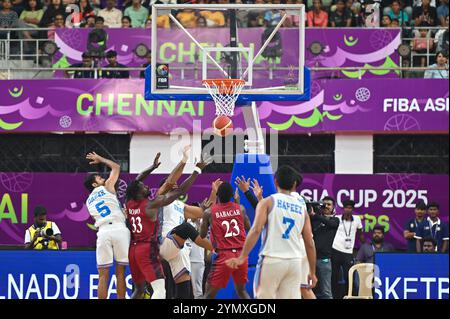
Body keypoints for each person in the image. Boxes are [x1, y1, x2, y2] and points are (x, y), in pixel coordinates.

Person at [125, 154, 212, 299]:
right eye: (144, 187)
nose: (147, 186)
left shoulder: (130, 201)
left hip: (152, 247)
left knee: (181, 281)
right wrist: (192, 166)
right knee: (186, 229)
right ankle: (216, 247)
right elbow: (177, 188)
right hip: (159, 244)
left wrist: (152, 167)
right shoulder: (155, 201)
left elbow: (137, 180)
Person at [226, 166, 317, 299]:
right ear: (294, 184)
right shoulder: (302, 209)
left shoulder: (268, 202)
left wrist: (242, 257)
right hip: (294, 262)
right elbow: (310, 242)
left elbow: (256, 230)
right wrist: (313, 272)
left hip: (272, 259)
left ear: (275, 182)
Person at [158, 171, 218, 299]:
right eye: (171, 183)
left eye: (176, 183)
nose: (175, 184)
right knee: (186, 227)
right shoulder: (161, 199)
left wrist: (214, 193)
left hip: (180, 248)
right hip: (166, 241)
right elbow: (170, 182)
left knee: (184, 289)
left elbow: (204, 212)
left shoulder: (181, 206)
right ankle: (218, 247)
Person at [84, 151, 129, 299]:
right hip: (119, 229)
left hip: (103, 232)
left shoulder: (89, 201)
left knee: (102, 275)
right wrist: (100, 159)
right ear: (94, 184)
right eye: (99, 178)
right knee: (120, 272)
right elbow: (116, 167)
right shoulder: (107, 186)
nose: (103, 178)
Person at [200, 182, 252, 299]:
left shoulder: (209, 212)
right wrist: (237, 204)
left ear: (217, 195)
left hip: (224, 256)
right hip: (241, 255)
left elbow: (202, 235)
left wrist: (202, 213)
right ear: (233, 195)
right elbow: (248, 227)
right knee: (242, 291)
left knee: (208, 295)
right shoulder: (241, 209)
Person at [331, 199, 365, 299]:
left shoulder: (357, 219)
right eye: (346, 208)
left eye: (350, 208)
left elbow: (360, 234)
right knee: (334, 276)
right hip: (335, 250)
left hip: (348, 252)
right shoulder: (337, 218)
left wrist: (364, 244)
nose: (348, 210)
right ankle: (334, 296)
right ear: (343, 208)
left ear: (352, 209)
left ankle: (348, 296)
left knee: (349, 276)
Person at [309, 196, 339, 299]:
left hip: (324, 260)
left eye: (329, 204)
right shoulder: (315, 219)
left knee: (326, 291)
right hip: (310, 260)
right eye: (324, 204)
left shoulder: (335, 220)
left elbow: (330, 223)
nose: (326, 206)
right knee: (307, 289)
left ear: (333, 207)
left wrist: (315, 215)